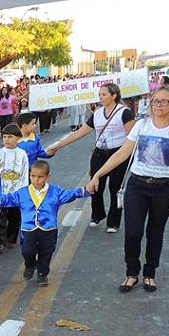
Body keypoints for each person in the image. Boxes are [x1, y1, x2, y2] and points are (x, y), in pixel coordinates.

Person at [88, 85, 169, 293]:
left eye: (164, 101)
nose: (159, 105)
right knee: (133, 233)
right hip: (137, 185)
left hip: (165, 188)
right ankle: (131, 273)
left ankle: (150, 273)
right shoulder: (141, 125)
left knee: (155, 232)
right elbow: (122, 154)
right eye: (155, 101)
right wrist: (98, 174)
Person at [0, 160, 92, 286]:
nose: (36, 179)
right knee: (27, 251)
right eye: (33, 176)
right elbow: (7, 198)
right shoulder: (23, 192)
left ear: (48, 176)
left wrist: (86, 190)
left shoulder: (55, 191)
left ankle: (42, 274)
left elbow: (70, 194)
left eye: (40, 177)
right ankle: (30, 264)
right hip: (28, 229)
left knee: (46, 252)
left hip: (48, 229)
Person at [47, 83, 134, 232]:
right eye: (99, 94)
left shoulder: (124, 112)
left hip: (119, 154)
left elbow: (132, 137)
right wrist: (57, 146)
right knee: (95, 185)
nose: (100, 97)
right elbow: (79, 133)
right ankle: (97, 215)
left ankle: (113, 222)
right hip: (99, 154)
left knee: (115, 188)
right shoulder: (97, 113)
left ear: (114, 96)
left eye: (104, 94)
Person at [0, 123, 30, 251]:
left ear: (18, 138)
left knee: (14, 217)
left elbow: (24, 173)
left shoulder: (22, 154)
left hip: (15, 191)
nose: (7, 139)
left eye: (10, 137)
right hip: (0, 191)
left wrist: (23, 191)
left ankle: (11, 238)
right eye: (5, 137)